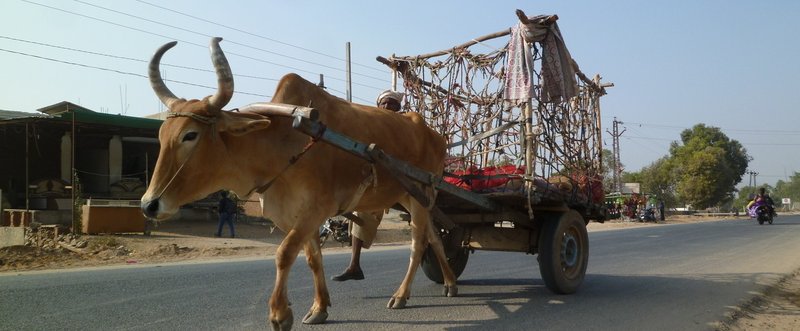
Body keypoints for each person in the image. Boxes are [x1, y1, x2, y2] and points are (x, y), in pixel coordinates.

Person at [331, 90, 403, 282]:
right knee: (355, 206)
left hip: (395, 180)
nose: (388, 107)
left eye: (392, 104)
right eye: (384, 104)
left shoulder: (405, 128)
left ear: (398, 108)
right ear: (379, 106)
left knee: (364, 211)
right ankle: (354, 262)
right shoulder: (372, 125)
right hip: (373, 176)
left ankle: (354, 265)